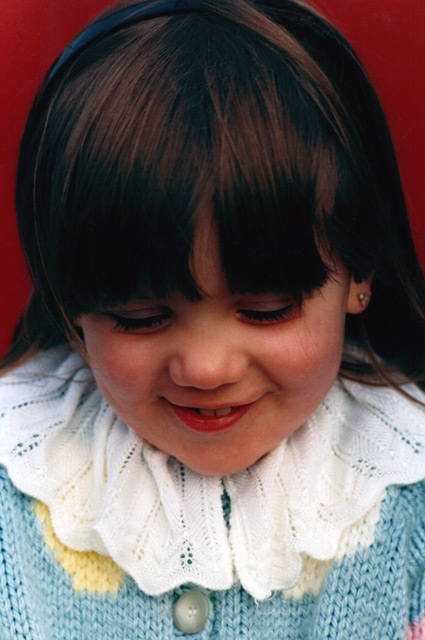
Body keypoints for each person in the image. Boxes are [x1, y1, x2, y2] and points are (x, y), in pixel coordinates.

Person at [1, 0, 425, 637]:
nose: (205, 368)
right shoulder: (18, 479)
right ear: (73, 304)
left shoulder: (408, 491)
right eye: (141, 317)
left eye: (265, 310)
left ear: (359, 273)